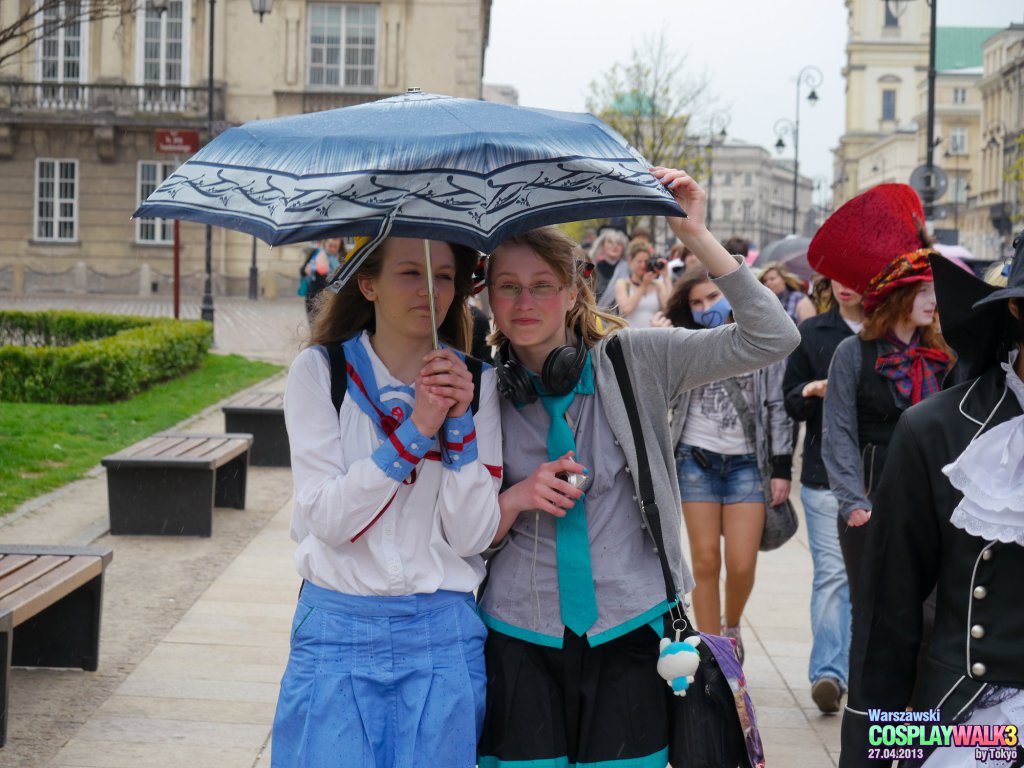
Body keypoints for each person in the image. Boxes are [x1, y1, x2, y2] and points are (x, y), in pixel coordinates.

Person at [475, 168, 801, 768]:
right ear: (488, 296)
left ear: (576, 290)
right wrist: (517, 497)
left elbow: (771, 338)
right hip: (519, 631)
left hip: (632, 629)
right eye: (508, 287)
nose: (525, 304)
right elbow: (460, 529)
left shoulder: (635, 360)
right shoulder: (482, 389)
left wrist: (698, 237)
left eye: (543, 285)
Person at [273, 237, 503, 768]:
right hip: (336, 632)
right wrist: (418, 430)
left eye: (445, 276)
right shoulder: (320, 373)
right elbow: (328, 520)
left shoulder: (479, 383)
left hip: (442, 636)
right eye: (410, 273)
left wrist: (459, 422)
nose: (431, 289)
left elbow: (472, 537)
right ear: (367, 283)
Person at [838, 234, 1024, 768]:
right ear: (1016, 307)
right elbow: (888, 613)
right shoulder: (936, 429)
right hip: (973, 726)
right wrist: (872, 749)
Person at [813, 185, 953, 609]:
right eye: (923, 290)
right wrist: (853, 502)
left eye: (934, 290)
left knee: (927, 614)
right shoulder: (853, 353)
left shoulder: (942, 356)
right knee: (873, 612)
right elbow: (837, 429)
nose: (933, 300)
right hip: (872, 501)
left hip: (931, 502)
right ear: (898, 297)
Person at [661, 266, 794, 661]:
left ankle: (731, 625)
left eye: (712, 298)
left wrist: (782, 467)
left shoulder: (763, 339)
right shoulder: (684, 342)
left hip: (747, 464)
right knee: (703, 560)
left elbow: (776, 406)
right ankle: (713, 651)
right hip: (694, 459)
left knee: (741, 563)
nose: (705, 308)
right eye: (697, 303)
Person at [782, 278, 865, 713]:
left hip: (881, 475)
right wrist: (813, 390)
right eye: (838, 275)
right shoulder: (813, 334)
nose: (846, 285)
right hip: (822, 474)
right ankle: (829, 673)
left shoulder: (892, 337)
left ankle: (862, 672)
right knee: (833, 574)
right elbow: (789, 401)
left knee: (870, 581)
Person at [613, 237, 671, 327]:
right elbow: (626, 310)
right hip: (630, 337)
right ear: (630, 261)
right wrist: (644, 285)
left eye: (646, 261)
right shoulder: (622, 284)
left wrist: (666, 277)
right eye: (639, 261)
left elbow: (669, 308)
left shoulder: (658, 285)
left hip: (654, 336)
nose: (643, 265)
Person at [299, 237, 345, 320]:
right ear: (325, 243)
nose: (333, 249)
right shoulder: (316, 253)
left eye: (335, 246)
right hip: (311, 297)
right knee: (313, 324)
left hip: (330, 299)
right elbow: (302, 271)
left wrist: (328, 271)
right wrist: (306, 270)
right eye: (330, 245)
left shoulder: (342, 257)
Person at [589, 227, 629, 306]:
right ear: (602, 245)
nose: (615, 246)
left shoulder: (629, 270)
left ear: (623, 247)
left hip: (620, 316)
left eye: (619, 243)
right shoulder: (592, 269)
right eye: (610, 242)